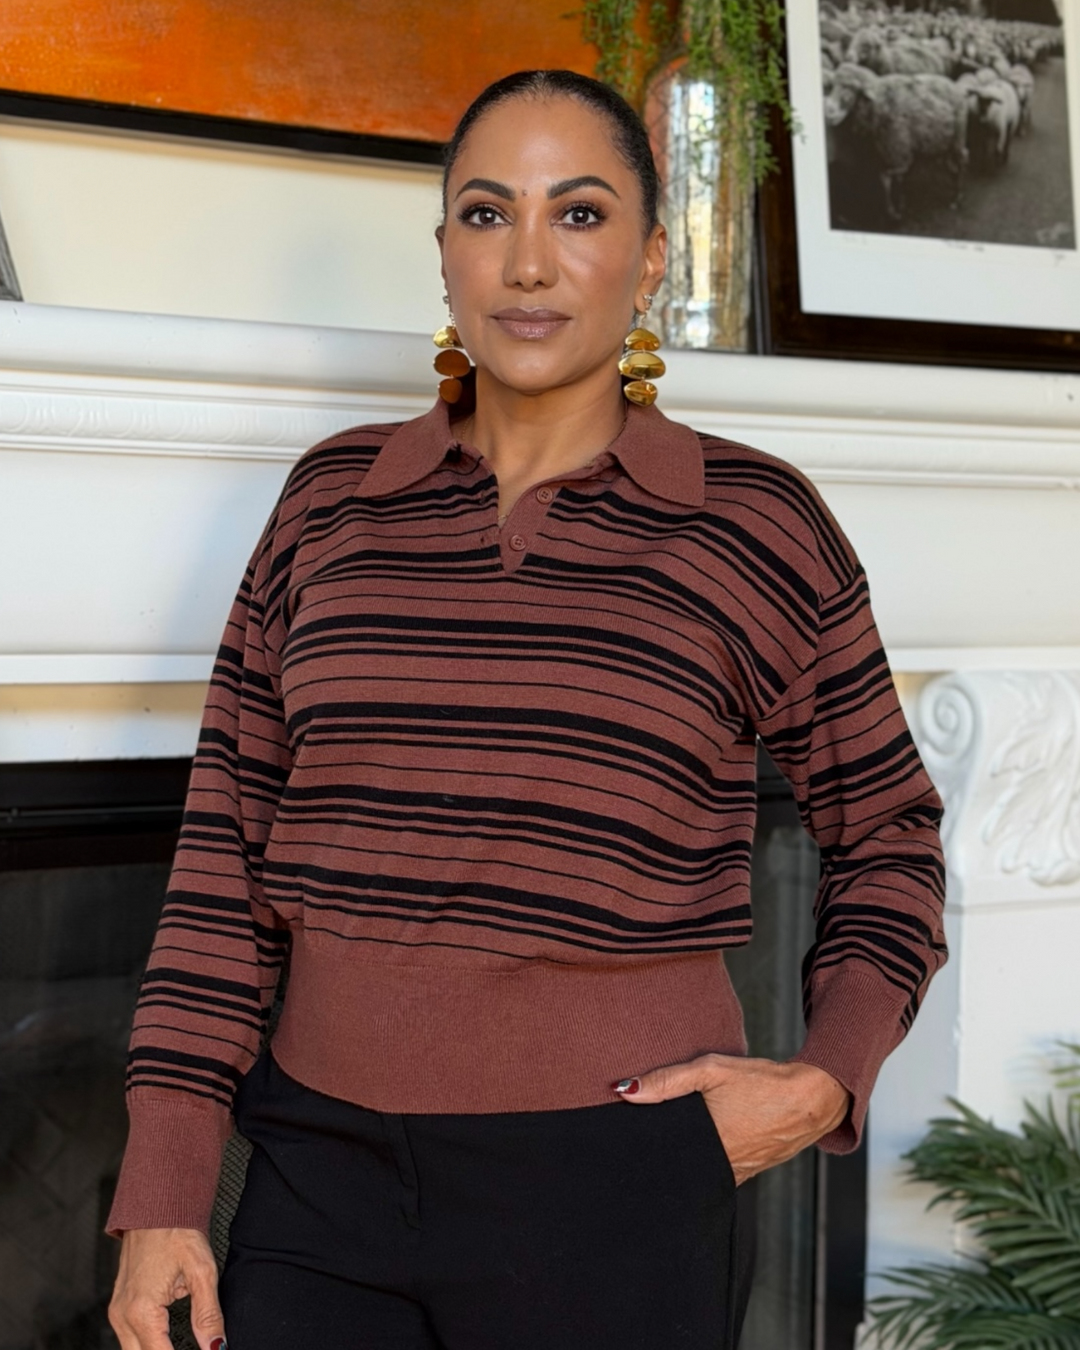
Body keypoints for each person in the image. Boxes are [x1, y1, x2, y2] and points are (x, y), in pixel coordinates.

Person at [107, 69, 947, 1350]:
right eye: (489, 215)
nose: (531, 262)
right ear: (444, 253)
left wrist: (827, 1076)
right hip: (311, 1178)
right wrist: (164, 1185)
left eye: (582, 213)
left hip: (615, 1179)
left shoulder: (756, 524)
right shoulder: (329, 502)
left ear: (651, 254)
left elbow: (890, 831)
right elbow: (224, 852)